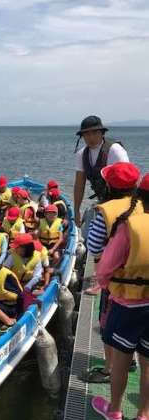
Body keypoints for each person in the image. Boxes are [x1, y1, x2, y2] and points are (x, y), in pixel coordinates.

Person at [92, 174, 149, 420]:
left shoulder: (130, 226)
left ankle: (114, 410)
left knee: (122, 361)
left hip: (128, 303)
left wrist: (106, 284)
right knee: (148, 363)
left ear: (140, 196)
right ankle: (144, 417)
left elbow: (105, 267)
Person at [82, 162, 142, 382]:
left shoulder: (106, 211)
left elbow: (93, 245)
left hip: (116, 281)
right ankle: (130, 360)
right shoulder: (143, 205)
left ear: (109, 186)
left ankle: (109, 369)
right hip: (142, 277)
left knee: (108, 325)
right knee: (136, 325)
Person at [73, 115, 129, 228]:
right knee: (90, 231)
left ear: (102, 133)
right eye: (86, 134)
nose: (91, 137)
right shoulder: (81, 154)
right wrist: (76, 210)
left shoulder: (115, 150)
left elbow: (129, 180)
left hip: (123, 202)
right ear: (82, 136)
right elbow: (79, 185)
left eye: (95, 133)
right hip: (103, 201)